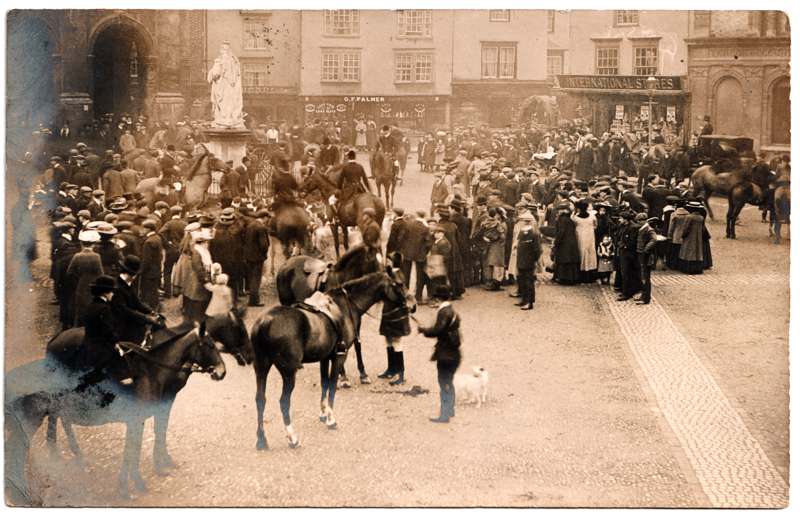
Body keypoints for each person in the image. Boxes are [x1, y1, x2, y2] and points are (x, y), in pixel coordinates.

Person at [419, 284, 461, 424]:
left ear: (438, 298)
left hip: (445, 353)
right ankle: (450, 409)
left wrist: (424, 330)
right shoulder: (452, 311)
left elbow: (438, 330)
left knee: (444, 382)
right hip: (453, 353)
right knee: (448, 381)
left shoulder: (443, 312)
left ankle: (445, 415)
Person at [378, 252, 412, 386]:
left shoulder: (397, 275)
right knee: (388, 340)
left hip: (396, 313)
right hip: (388, 312)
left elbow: (399, 295)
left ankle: (400, 374)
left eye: (389, 261)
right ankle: (391, 369)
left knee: (397, 342)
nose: (387, 263)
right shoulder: (389, 273)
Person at [66, 230, 104, 327]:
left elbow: (69, 272)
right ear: (93, 244)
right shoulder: (96, 256)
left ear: (82, 243)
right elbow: (101, 274)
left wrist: (79, 277)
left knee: (80, 308)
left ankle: (79, 327)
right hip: (93, 285)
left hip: (81, 284)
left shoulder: (77, 256)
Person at [515, 212, 542, 311]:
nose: (523, 223)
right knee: (521, 280)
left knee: (529, 282)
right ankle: (524, 299)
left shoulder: (534, 234)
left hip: (529, 261)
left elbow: (537, 250)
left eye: (524, 221)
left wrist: (535, 260)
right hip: (521, 260)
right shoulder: (522, 232)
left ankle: (529, 302)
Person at [552, 203, 579, 285]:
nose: (558, 212)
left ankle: (564, 278)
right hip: (572, 242)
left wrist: (556, 241)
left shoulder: (562, 219)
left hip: (564, 243)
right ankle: (571, 278)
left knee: (564, 260)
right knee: (570, 261)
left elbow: (561, 232)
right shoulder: (570, 219)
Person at [571, 199, 598, 283]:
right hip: (590, 236)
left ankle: (580, 274)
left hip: (580, 236)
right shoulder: (592, 216)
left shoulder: (575, 218)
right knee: (590, 253)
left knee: (581, 253)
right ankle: (589, 274)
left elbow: (573, 224)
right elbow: (595, 225)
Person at [636, 217, 659, 305]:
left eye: (639, 221)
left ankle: (646, 298)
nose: (638, 223)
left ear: (643, 221)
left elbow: (654, 240)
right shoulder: (644, 228)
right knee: (642, 276)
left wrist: (646, 250)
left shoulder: (649, 229)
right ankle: (643, 295)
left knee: (645, 277)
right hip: (642, 255)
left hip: (646, 257)